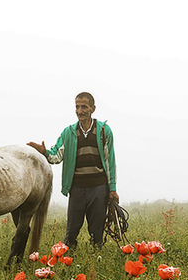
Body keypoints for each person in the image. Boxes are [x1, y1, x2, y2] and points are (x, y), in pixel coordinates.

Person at [27, 92, 119, 248]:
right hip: (77, 189)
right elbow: (56, 155)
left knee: (97, 231)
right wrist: (44, 152)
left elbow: (110, 162)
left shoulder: (104, 131)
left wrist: (112, 189)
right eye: (77, 107)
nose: (80, 111)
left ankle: (96, 258)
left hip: (99, 189)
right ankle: (67, 261)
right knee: (71, 230)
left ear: (93, 108)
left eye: (84, 107)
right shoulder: (68, 132)